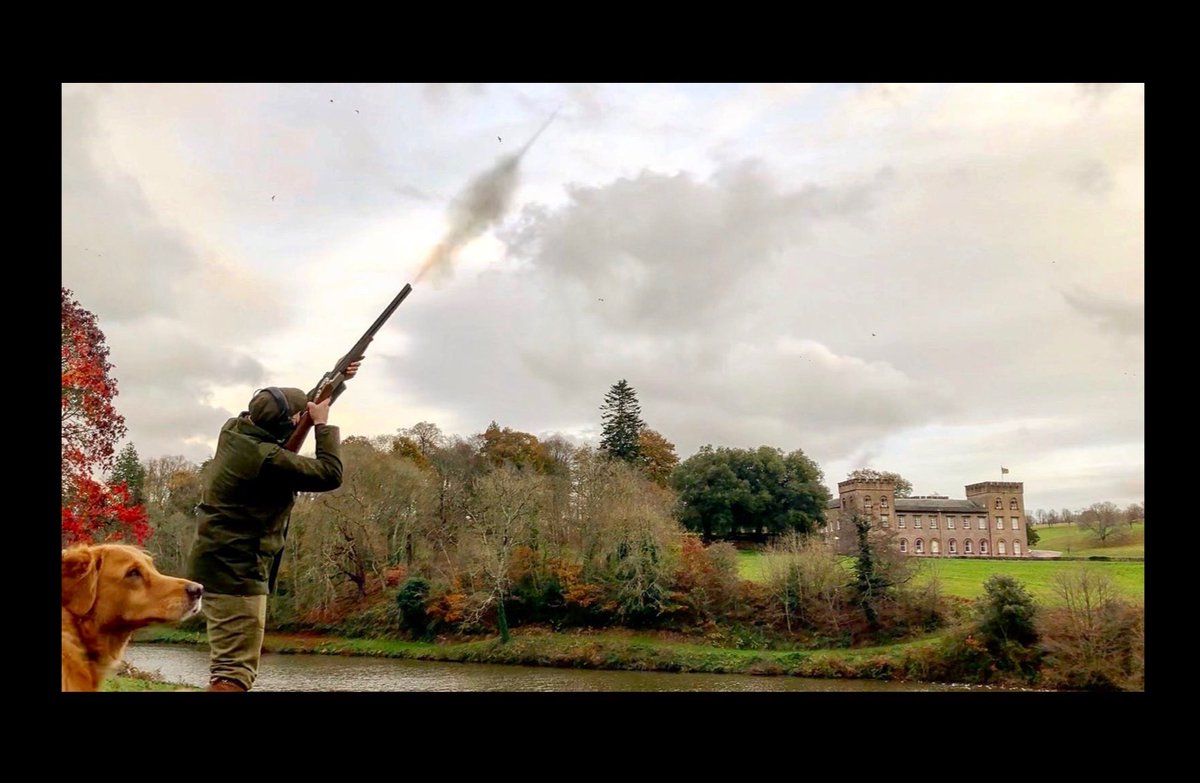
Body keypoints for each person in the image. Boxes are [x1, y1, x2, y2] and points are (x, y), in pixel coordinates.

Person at [186, 362, 360, 692]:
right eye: (299, 418)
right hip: (236, 573)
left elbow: (293, 415)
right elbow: (329, 473)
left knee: (229, 669)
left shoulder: (234, 429)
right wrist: (322, 425)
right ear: (286, 424)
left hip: (218, 566)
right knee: (233, 674)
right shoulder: (267, 460)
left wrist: (336, 384)